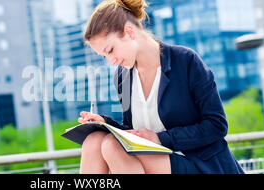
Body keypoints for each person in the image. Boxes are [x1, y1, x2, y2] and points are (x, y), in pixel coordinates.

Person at [77, 0, 244, 174]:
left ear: (129, 32)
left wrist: (160, 139)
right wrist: (105, 123)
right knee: (94, 140)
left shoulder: (185, 61)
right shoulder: (122, 76)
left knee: (112, 146)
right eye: (104, 57)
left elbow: (216, 125)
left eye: (110, 50)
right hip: (154, 160)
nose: (111, 62)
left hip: (197, 161)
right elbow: (135, 131)